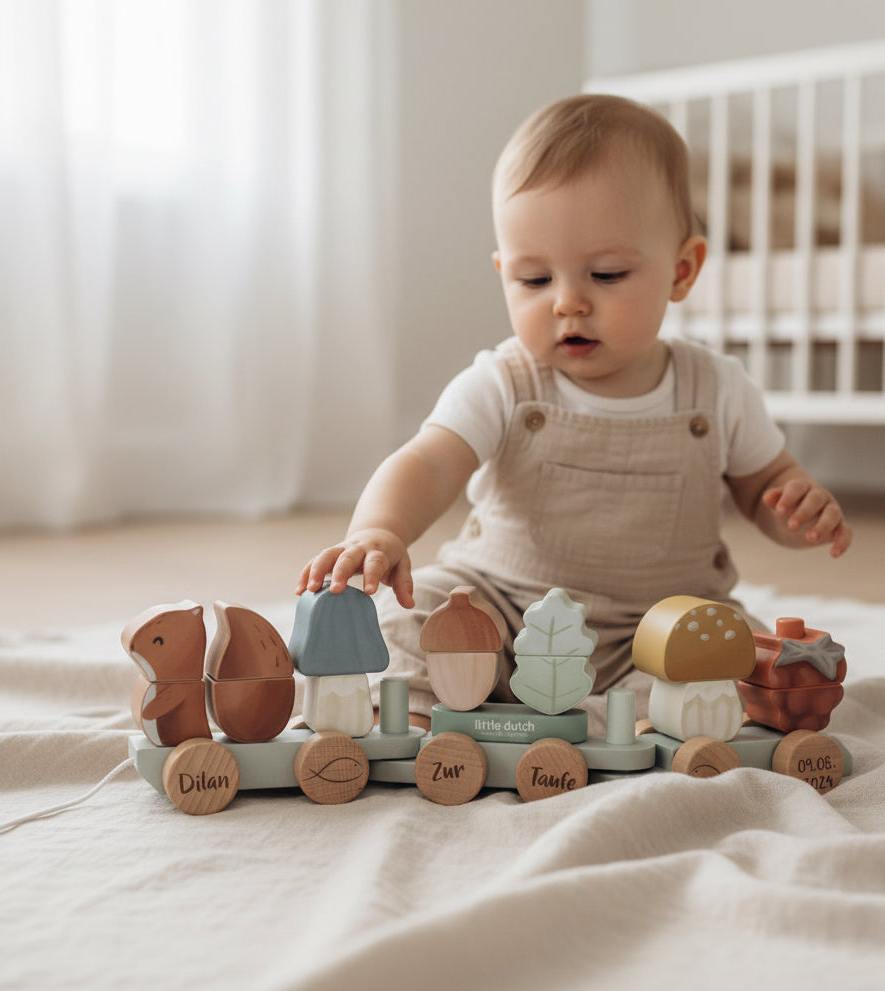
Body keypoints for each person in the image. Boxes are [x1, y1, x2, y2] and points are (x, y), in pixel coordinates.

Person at [296, 94, 852, 730]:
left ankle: (655, 726)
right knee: (413, 612)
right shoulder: (503, 380)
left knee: (740, 650)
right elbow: (430, 461)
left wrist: (796, 508)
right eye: (535, 281)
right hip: (500, 613)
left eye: (607, 274)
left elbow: (766, 490)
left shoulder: (718, 388)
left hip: (662, 626)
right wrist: (380, 530)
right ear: (505, 273)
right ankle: (414, 719)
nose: (568, 303)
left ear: (682, 269)